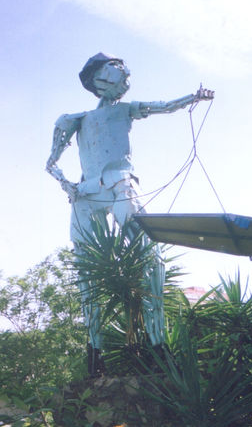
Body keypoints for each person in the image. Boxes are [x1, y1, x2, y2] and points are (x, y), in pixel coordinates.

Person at [46, 52, 214, 375]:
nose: (122, 76)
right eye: (114, 70)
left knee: (151, 257)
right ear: (98, 80)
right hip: (85, 194)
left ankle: (157, 344)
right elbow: (50, 164)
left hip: (121, 184)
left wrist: (193, 98)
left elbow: (162, 106)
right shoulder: (74, 120)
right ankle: (95, 351)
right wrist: (67, 185)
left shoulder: (126, 110)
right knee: (86, 272)